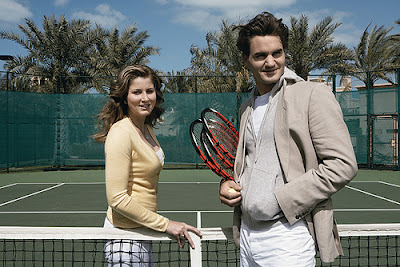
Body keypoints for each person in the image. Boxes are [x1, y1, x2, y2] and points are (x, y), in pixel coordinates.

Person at [219, 12, 358, 266]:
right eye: (260, 56)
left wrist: (283, 200)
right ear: (246, 60)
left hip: (288, 238)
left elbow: (343, 165)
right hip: (247, 237)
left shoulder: (312, 94)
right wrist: (229, 182)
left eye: (277, 53)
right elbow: (250, 163)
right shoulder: (246, 108)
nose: (271, 62)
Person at [94, 65, 202, 266]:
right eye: (136, 92)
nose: (145, 98)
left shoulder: (146, 128)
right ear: (125, 97)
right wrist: (166, 224)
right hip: (124, 238)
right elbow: (117, 198)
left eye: (149, 91)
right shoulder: (121, 133)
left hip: (143, 231)